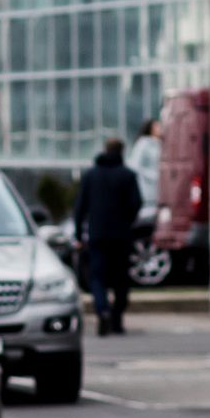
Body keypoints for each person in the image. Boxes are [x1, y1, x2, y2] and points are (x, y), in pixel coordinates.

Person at [73, 136, 143, 337]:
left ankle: (102, 310)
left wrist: (79, 234)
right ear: (122, 151)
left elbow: (80, 208)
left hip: (98, 234)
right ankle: (117, 318)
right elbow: (136, 203)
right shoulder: (127, 175)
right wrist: (127, 221)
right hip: (121, 235)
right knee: (121, 278)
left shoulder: (91, 176)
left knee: (97, 277)